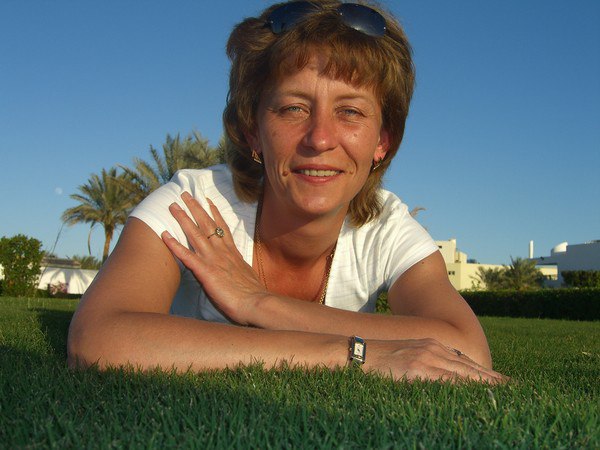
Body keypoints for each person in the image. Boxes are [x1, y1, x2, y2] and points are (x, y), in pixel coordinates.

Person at [67, 0, 505, 383]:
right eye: (294, 108)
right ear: (252, 132)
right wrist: (353, 355)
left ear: (382, 141)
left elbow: (467, 347)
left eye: (350, 112)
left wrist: (261, 305)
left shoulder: (386, 227)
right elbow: (98, 338)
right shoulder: (194, 205)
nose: (320, 138)